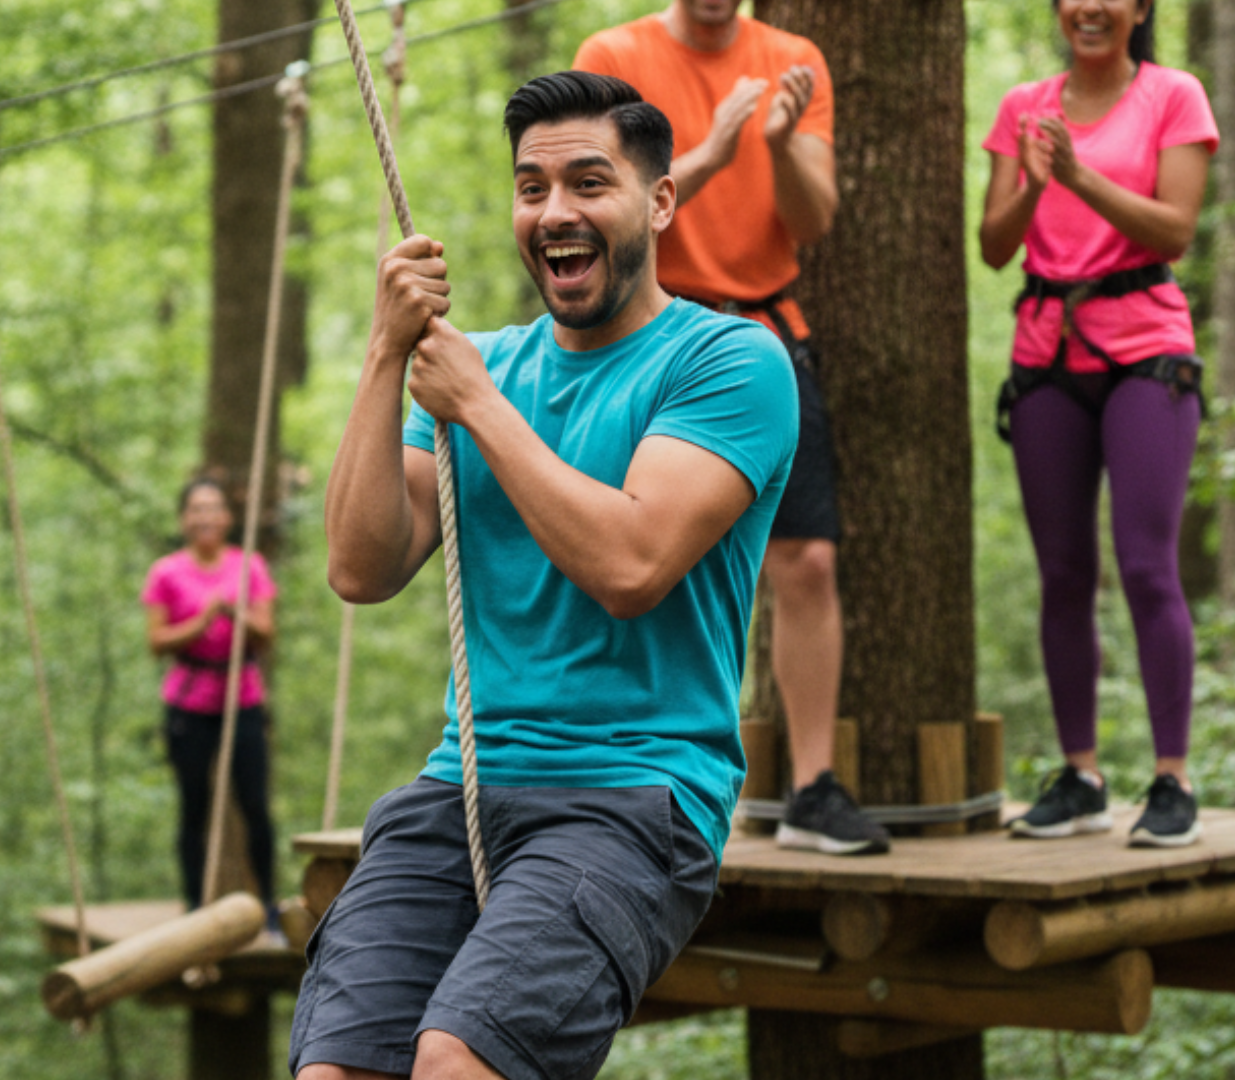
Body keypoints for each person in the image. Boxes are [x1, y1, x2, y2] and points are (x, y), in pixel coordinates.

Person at [292, 72, 797, 1080]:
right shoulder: (479, 370)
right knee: (336, 1070)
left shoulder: (729, 361)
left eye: (588, 183)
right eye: (531, 189)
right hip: (463, 787)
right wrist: (385, 358)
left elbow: (631, 564)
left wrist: (477, 405)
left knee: (457, 1062)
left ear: (657, 202)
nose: (555, 212)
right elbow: (359, 566)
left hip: (636, 799)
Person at [575, 0, 889, 857]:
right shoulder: (616, 52)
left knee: (808, 558)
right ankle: (624, 768)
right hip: (645, 333)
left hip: (761, 338)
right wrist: (710, 150)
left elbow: (814, 218)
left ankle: (814, 788)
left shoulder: (793, 58)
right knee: (635, 556)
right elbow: (606, 209)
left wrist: (782, 142)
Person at [977, 0, 1217, 847]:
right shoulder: (1024, 109)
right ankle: (1080, 775)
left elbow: (1176, 230)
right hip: (1047, 352)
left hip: (1145, 349)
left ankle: (1172, 780)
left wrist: (1079, 179)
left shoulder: (1172, 95)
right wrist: (1035, 183)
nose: (1089, 7)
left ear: (1138, 9)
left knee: (1148, 566)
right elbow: (994, 246)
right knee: (1063, 572)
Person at [140, 478, 280, 922]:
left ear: (227, 518)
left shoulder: (248, 566)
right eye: (196, 509)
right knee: (193, 806)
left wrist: (235, 613)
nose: (205, 517)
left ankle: (268, 905)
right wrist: (203, 621)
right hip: (189, 702)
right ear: (184, 520)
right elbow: (157, 641)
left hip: (243, 697)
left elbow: (266, 633)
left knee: (255, 804)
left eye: (213, 508)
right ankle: (195, 907)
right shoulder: (166, 572)